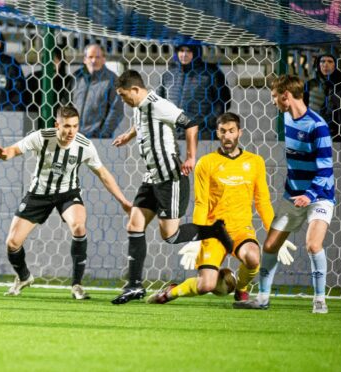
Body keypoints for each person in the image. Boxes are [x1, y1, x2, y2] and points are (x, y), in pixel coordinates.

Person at [110, 70, 233, 305]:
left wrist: (190, 157)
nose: (123, 100)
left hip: (170, 177)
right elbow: (142, 124)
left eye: (124, 96)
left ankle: (215, 230)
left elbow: (191, 124)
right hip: (151, 176)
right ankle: (134, 285)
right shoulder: (139, 107)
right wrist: (128, 135)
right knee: (134, 224)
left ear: (136, 90)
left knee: (171, 235)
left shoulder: (159, 105)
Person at [146, 112, 296, 305]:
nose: (227, 136)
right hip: (213, 231)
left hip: (241, 229)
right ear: (218, 133)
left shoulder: (255, 162)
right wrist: (197, 238)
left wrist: (275, 235)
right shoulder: (206, 163)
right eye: (223, 131)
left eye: (231, 131)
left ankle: (241, 289)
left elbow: (263, 202)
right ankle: (170, 292)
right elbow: (201, 203)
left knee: (252, 257)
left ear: (239, 133)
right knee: (206, 286)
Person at [0, 105, 132, 299]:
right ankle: (24, 277)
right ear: (56, 124)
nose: (71, 131)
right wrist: (3, 154)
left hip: (68, 193)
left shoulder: (84, 145)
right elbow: (14, 150)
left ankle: (76, 285)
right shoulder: (42, 136)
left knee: (78, 226)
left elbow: (103, 174)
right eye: (66, 126)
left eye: (75, 126)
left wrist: (123, 201)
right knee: (12, 243)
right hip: (38, 194)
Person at [235, 75, 335, 314]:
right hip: (293, 196)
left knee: (313, 245)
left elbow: (326, 170)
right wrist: (294, 193)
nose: (272, 102)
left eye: (274, 97)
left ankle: (319, 300)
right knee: (269, 245)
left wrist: (309, 195)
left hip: (319, 196)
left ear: (286, 96)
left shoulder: (317, 126)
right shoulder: (288, 118)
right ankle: (262, 298)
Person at [156, 42, 231, 140]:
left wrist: (203, 123)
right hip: (173, 135)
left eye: (189, 51)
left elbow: (223, 103)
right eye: (181, 51)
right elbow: (158, 103)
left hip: (202, 135)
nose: (184, 55)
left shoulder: (211, 73)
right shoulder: (169, 74)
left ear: (196, 52)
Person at [68, 43, 124, 139]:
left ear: (104, 59)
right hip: (74, 136)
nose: (94, 60)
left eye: (97, 57)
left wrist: (103, 134)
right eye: (90, 57)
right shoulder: (76, 77)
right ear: (85, 59)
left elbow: (117, 109)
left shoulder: (112, 79)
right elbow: (67, 103)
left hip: (97, 139)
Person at [304, 52, 341, 142]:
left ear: (336, 64)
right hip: (314, 133)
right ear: (318, 64)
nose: (325, 64)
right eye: (322, 61)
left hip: (336, 136)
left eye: (330, 61)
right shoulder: (310, 85)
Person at [27, 47, 73, 115]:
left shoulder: (68, 81)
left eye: (56, 60)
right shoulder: (33, 79)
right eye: (49, 59)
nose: (52, 63)